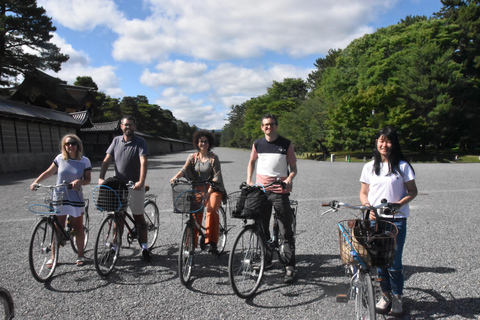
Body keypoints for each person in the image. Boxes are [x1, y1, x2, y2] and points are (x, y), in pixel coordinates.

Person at [359, 126, 418, 316]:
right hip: (376, 220)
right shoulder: (369, 166)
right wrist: (369, 207)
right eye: (381, 141)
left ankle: (398, 297)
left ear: (394, 143)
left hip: (396, 220)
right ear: (376, 143)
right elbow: (363, 193)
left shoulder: (402, 166)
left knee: (395, 262)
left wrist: (399, 204)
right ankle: (385, 296)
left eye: (388, 141)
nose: (384, 144)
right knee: (379, 260)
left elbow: (412, 191)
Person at [246, 113, 298, 284]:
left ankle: (290, 266)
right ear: (262, 127)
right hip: (260, 190)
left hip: (279, 191)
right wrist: (249, 180)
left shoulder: (286, 144)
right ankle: (266, 259)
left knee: (285, 229)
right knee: (261, 227)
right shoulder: (258, 144)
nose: (269, 127)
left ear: (276, 126)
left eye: (272, 124)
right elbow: (252, 162)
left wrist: (289, 179)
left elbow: (293, 168)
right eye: (266, 125)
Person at [30, 134, 91, 267]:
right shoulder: (60, 158)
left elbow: (88, 180)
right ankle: (54, 257)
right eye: (67, 143)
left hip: (75, 197)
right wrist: (36, 182)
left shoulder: (84, 161)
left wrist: (79, 181)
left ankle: (80, 254)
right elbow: (49, 172)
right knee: (57, 227)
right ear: (64, 146)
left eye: (73, 143)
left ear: (78, 145)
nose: (70, 146)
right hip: (59, 197)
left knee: (78, 228)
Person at [98, 116, 151, 262]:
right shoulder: (116, 141)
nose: (127, 127)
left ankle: (145, 247)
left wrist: (141, 181)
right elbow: (107, 160)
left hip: (134, 184)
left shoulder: (140, 142)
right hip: (119, 185)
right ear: (121, 126)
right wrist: (101, 177)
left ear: (134, 126)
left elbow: (143, 161)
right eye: (125, 125)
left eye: (130, 125)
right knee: (118, 215)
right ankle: (114, 247)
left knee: (138, 216)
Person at [170, 130, 227, 254]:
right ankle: (191, 243)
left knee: (211, 210)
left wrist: (208, 192)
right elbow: (184, 170)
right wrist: (175, 177)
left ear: (209, 143)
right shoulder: (192, 157)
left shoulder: (213, 158)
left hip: (214, 188)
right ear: (197, 143)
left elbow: (217, 177)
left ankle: (212, 242)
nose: (203, 144)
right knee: (194, 212)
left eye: (206, 141)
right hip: (198, 187)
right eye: (201, 141)